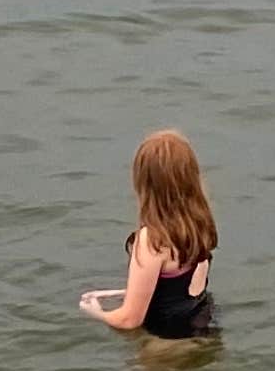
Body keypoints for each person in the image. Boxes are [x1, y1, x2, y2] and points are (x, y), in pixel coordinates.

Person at [81, 127, 221, 340]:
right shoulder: (198, 224)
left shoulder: (152, 241)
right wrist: (124, 293)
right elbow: (176, 291)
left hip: (165, 346)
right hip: (204, 328)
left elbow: (129, 321)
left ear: (145, 183)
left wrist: (95, 313)